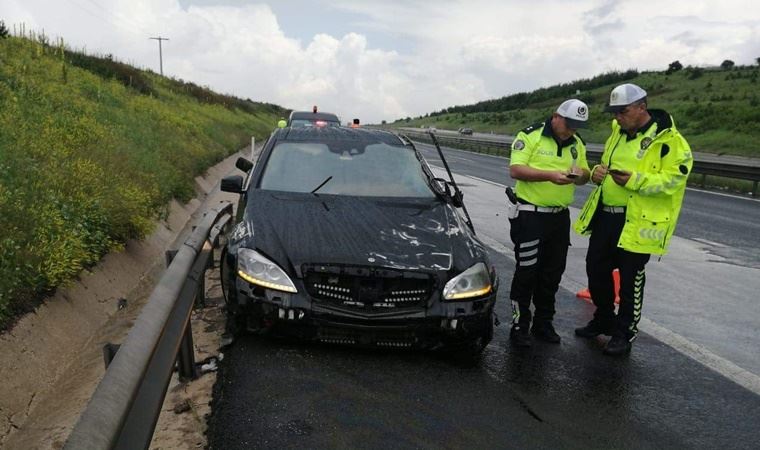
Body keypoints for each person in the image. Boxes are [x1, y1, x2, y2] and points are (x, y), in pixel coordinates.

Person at [573, 83, 693, 356]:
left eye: (622, 111)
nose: (617, 117)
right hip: (607, 215)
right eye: (614, 112)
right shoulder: (617, 132)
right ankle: (603, 317)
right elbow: (606, 162)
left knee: (630, 279)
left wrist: (636, 180)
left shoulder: (669, 140)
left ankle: (624, 333)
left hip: (638, 220)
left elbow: (674, 179)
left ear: (642, 107)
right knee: (596, 268)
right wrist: (599, 172)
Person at [507, 99, 591, 348]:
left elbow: (585, 175)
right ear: (556, 116)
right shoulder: (530, 135)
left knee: (552, 273)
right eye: (569, 124)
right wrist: (550, 176)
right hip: (531, 214)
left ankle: (544, 323)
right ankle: (520, 324)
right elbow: (516, 170)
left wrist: (580, 176)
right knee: (527, 272)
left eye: (577, 126)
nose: (572, 130)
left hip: (559, 217)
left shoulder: (577, 144)